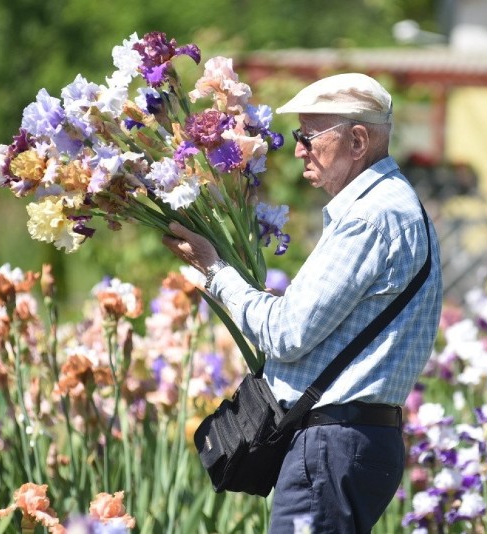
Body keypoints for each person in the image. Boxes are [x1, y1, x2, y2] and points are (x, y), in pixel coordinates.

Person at [162, 72, 443, 533]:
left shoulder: (371, 218)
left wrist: (216, 271)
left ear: (357, 141)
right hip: (353, 439)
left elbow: (286, 333)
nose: (297, 150)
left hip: (334, 443)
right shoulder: (395, 206)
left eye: (307, 137)